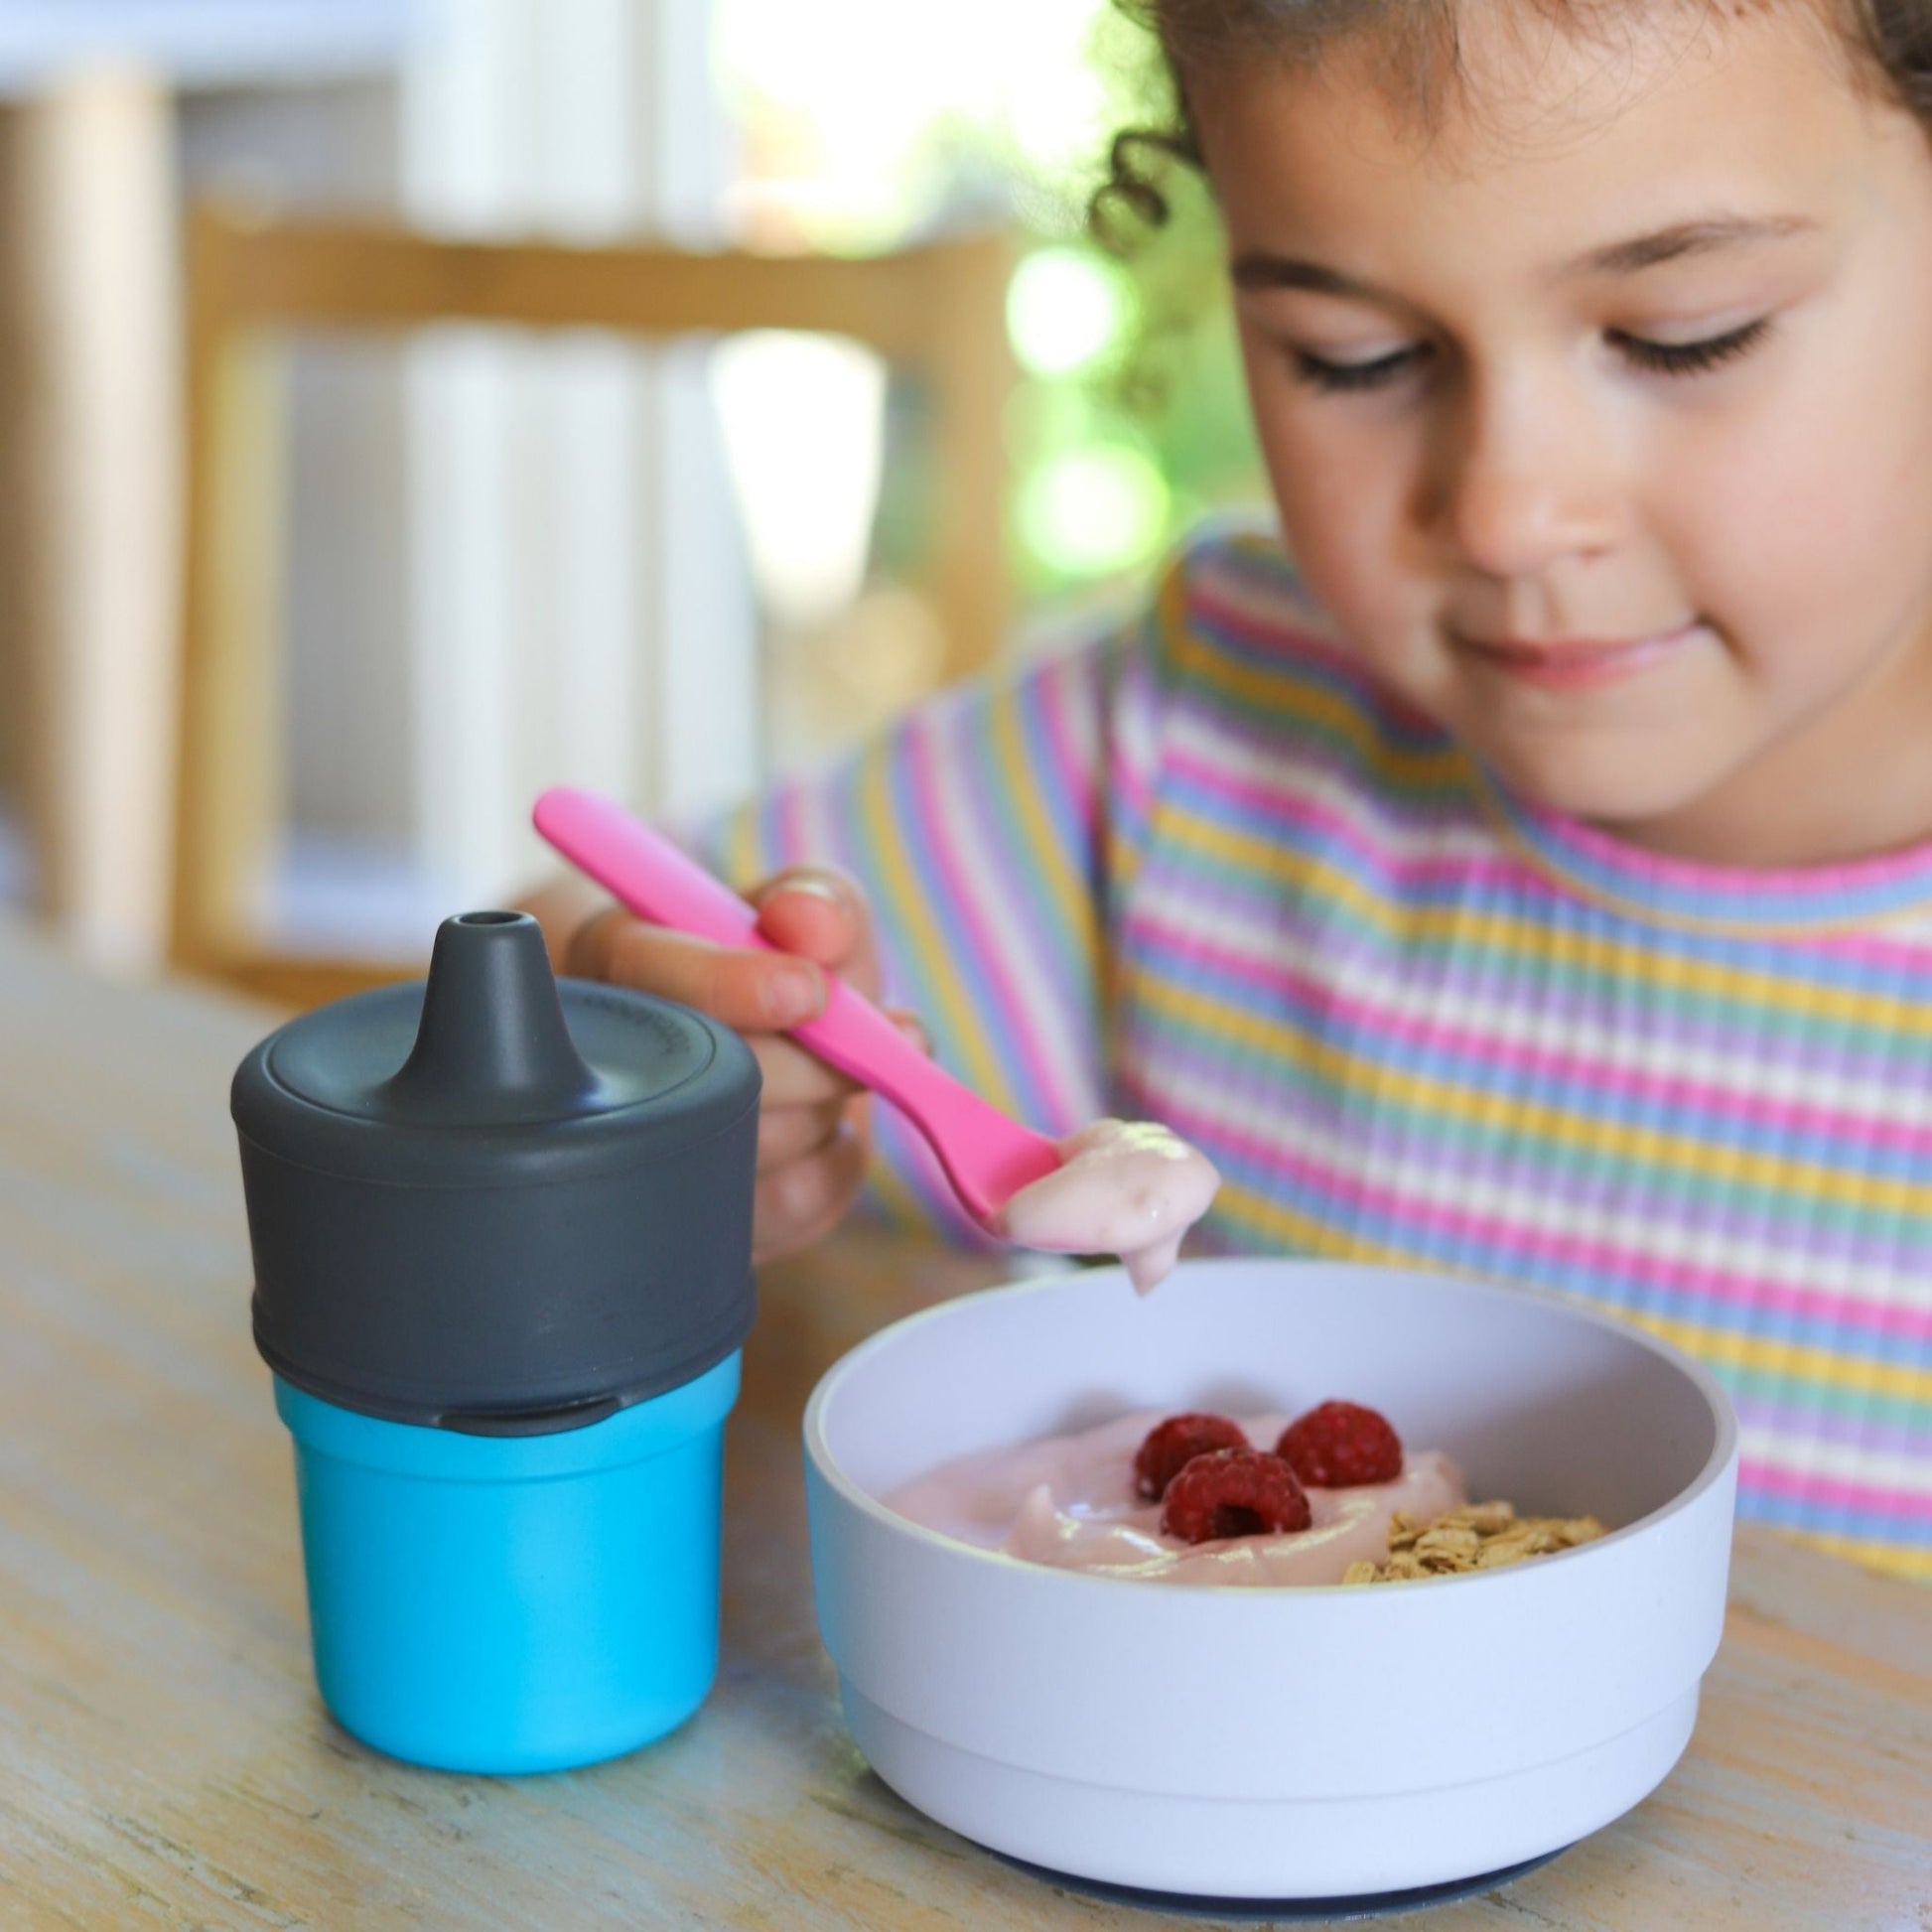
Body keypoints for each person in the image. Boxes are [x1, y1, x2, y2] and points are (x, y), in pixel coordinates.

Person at [527, 0, 1932, 1580]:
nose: (1505, 511)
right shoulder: (1201, 732)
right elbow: (571, 974)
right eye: (1357, 358)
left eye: (1688, 332)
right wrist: (642, 1093)